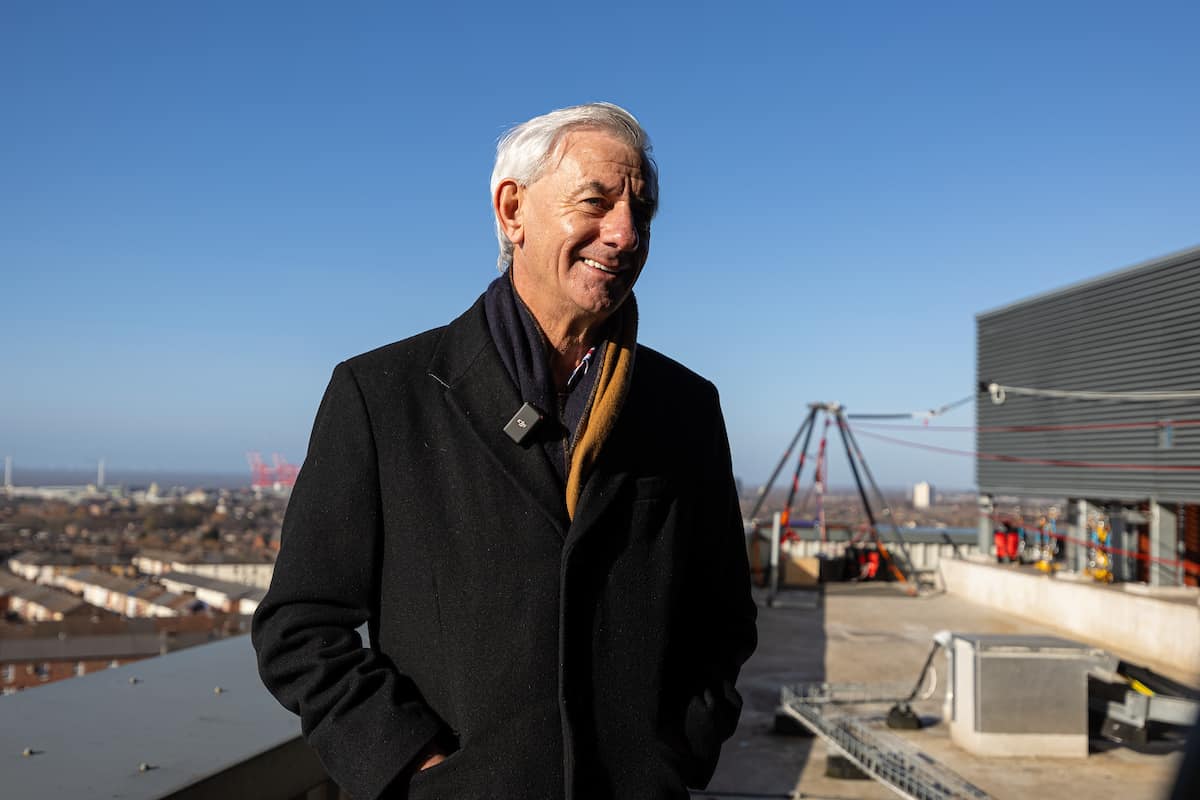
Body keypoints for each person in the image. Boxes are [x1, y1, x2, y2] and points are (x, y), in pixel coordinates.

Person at [251, 102, 758, 800]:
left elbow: (722, 615)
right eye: (596, 202)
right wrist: (417, 769)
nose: (625, 232)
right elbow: (300, 626)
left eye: (641, 210)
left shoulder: (686, 407)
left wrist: (673, 751)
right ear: (513, 210)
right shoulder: (382, 395)